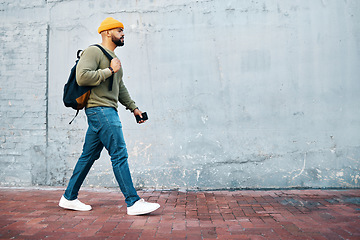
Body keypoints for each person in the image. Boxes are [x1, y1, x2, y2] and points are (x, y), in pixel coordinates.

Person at [59, 17, 160, 216]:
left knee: (88, 156)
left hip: (107, 110)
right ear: (107, 32)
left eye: (123, 31)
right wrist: (109, 70)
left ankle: (68, 197)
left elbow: (119, 87)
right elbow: (83, 76)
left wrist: (134, 108)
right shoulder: (94, 51)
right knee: (119, 153)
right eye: (119, 30)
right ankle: (133, 202)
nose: (123, 34)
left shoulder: (113, 58)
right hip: (100, 110)